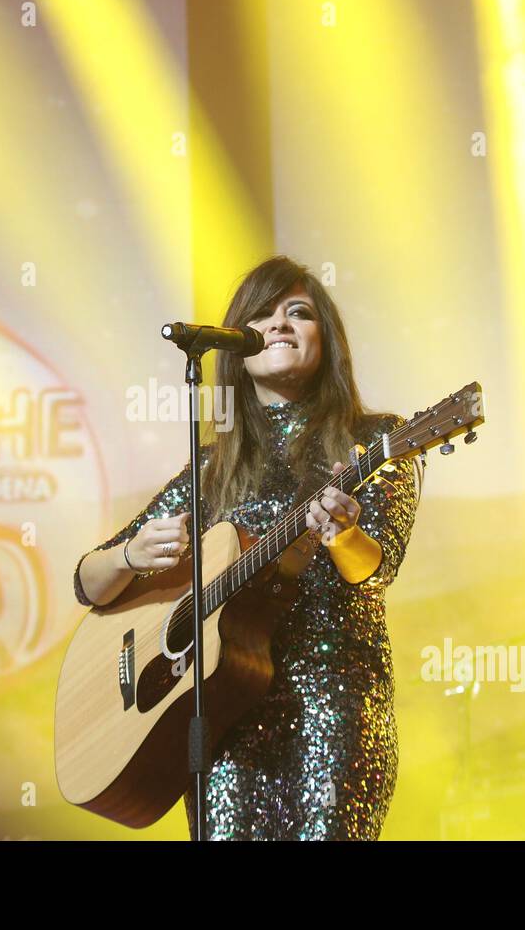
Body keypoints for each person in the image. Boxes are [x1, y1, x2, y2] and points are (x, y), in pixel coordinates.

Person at [73, 255, 421, 840]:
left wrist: (346, 536)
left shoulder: (372, 442)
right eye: (263, 314)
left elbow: (376, 570)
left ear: (326, 341)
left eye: (299, 313)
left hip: (330, 710)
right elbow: (88, 581)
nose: (280, 323)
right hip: (224, 723)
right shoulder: (212, 470)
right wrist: (130, 556)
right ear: (237, 347)